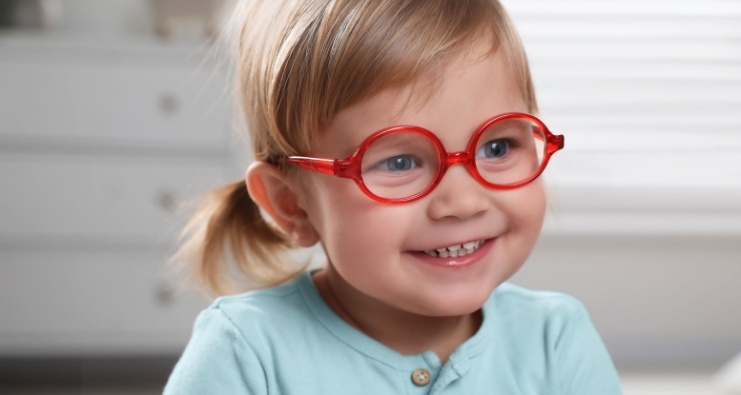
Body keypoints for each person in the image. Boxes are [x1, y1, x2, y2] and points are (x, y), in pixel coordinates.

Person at [164, 0, 622, 393]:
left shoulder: (557, 341)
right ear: (291, 203)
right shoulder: (244, 356)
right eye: (400, 162)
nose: (464, 202)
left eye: (497, 147)